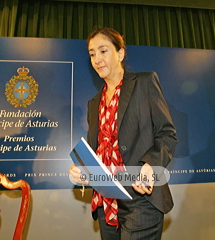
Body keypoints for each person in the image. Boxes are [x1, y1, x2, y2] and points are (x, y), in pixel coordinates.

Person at [69, 27, 177, 240]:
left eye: (103, 51)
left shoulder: (145, 82)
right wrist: (83, 171)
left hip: (141, 201)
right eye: (92, 54)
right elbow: (96, 151)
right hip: (106, 202)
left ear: (120, 53)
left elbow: (167, 134)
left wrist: (150, 166)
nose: (97, 59)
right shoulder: (94, 103)